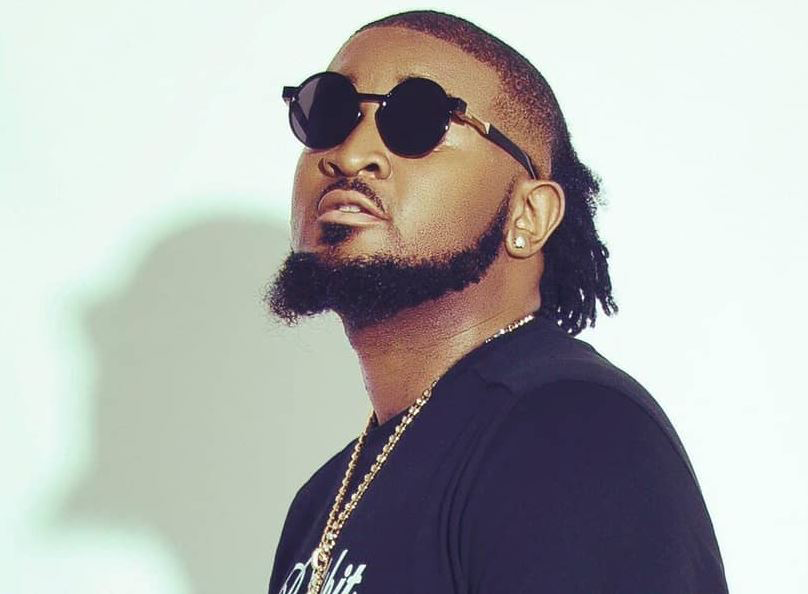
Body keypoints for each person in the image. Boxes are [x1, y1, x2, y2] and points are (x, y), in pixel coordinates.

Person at [263, 9, 728, 594]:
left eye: (417, 119)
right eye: (329, 112)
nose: (352, 154)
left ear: (528, 215)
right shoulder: (322, 501)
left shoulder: (572, 431)